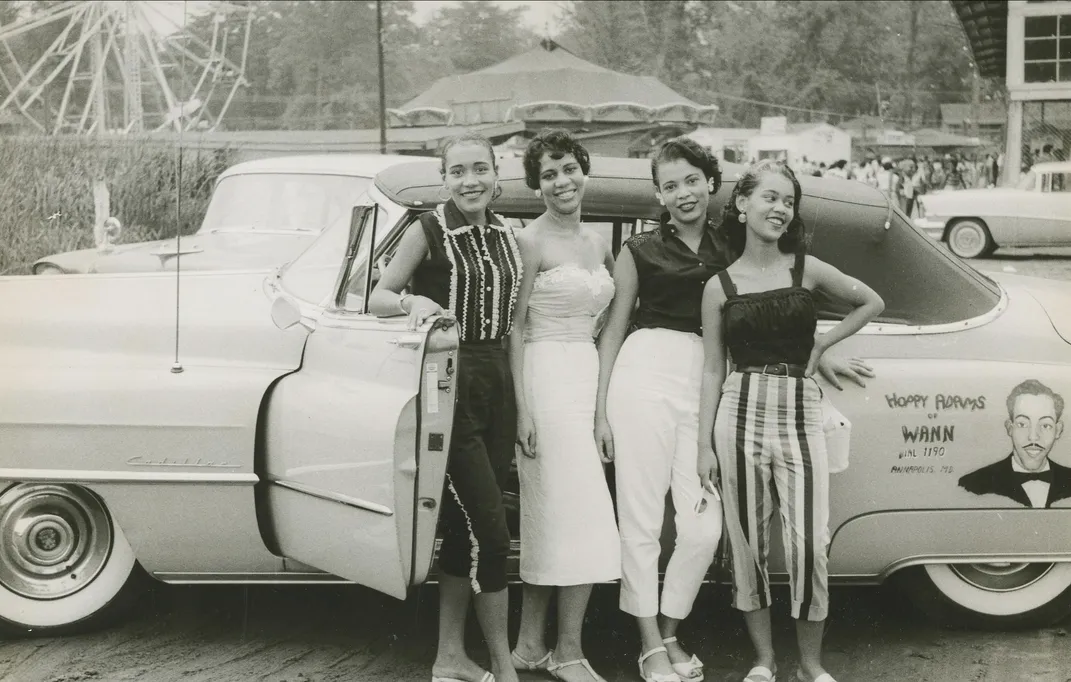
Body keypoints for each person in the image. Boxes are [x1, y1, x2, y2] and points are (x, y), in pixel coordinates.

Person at [595, 138, 875, 682]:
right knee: (642, 517)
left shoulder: (737, 242)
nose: (683, 193)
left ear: (713, 184)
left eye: (692, 181)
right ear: (659, 193)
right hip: (646, 373)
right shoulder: (639, 250)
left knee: (702, 529)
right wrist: (600, 411)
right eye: (670, 185)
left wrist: (821, 349)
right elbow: (613, 327)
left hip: (713, 384)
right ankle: (652, 644)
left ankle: (672, 628)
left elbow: (778, 301)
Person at [697, 160, 884, 682]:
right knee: (748, 544)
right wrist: (702, 445)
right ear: (741, 204)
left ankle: (810, 666)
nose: (780, 209)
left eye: (788, 202)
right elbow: (714, 368)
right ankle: (764, 661)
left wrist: (823, 342)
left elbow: (871, 301)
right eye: (770, 198)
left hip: (800, 410)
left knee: (809, 544)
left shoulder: (805, 267)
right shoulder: (720, 286)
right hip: (738, 409)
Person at [368, 133, 520, 682]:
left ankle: (449, 657)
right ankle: (504, 664)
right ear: (445, 177)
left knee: (463, 528)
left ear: (496, 174)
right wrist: (415, 301)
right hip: (449, 384)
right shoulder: (426, 230)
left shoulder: (508, 233)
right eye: (458, 172)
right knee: (494, 532)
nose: (470, 181)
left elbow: (516, 324)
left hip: (497, 382)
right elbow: (378, 295)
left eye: (480, 169)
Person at [508, 129, 620, 682]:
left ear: (583, 170)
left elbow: (603, 328)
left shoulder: (599, 242)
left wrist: (602, 411)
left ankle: (536, 645)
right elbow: (513, 330)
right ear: (537, 187)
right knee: (560, 514)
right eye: (548, 175)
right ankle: (562, 650)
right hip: (544, 377)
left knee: (568, 515)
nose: (561, 182)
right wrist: (522, 411)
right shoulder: (529, 242)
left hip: (585, 376)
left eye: (568, 169)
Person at [958, 380, 1071, 508]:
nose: (1033, 437)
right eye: (1022, 424)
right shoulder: (974, 484)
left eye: (1045, 425)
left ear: (1058, 430)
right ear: (1009, 428)